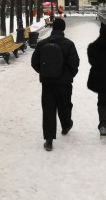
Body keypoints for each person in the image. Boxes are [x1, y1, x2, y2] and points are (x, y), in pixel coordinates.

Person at [31, 17, 80, 151]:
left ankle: (49, 140)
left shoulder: (42, 44)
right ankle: (66, 125)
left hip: (47, 83)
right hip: (64, 83)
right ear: (63, 29)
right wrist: (69, 75)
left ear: (53, 28)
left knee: (48, 109)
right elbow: (75, 63)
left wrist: (44, 73)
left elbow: (34, 62)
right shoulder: (68, 44)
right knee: (65, 105)